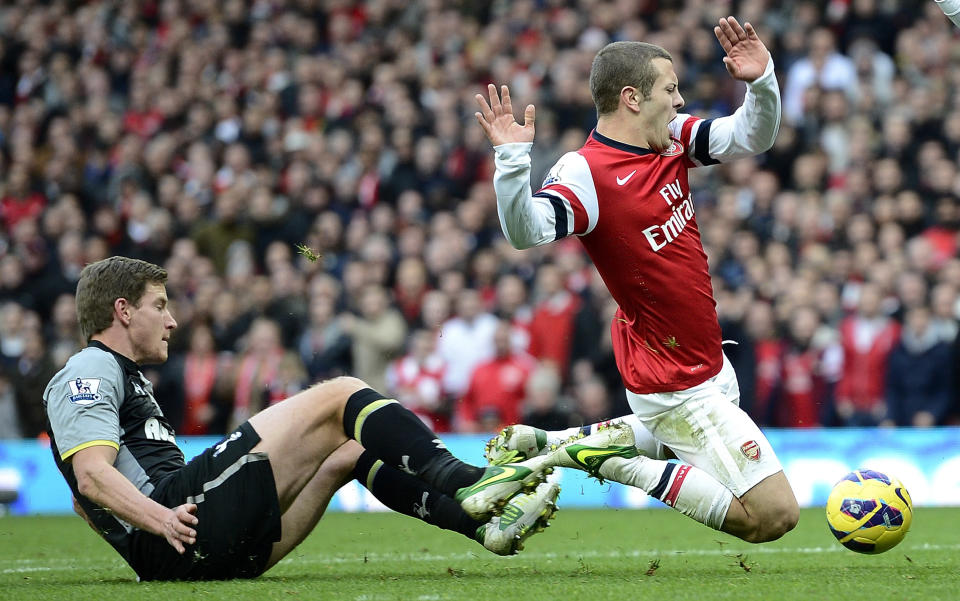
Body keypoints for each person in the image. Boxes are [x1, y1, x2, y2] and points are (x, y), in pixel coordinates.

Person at [475, 17, 799, 543]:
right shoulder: (586, 172)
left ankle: (551, 444)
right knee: (772, 515)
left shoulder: (671, 138)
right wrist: (512, 161)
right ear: (631, 97)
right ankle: (605, 461)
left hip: (706, 359)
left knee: (670, 446)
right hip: (674, 381)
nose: (679, 100)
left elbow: (750, 136)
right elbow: (525, 232)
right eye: (669, 90)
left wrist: (760, 82)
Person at [42, 256, 561, 581]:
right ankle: (468, 481)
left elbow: (82, 500)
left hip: (195, 544)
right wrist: (159, 522)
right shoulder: (89, 366)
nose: (172, 320)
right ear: (123, 311)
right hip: (182, 525)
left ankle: (483, 525)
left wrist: (139, 542)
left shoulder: (123, 377)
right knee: (341, 394)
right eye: (159, 305)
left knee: (347, 451)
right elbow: (91, 476)